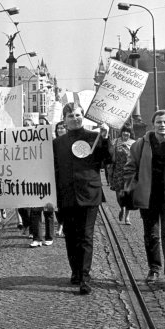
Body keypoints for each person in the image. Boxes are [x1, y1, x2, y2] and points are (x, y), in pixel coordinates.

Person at [123, 110, 165, 289]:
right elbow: (130, 167)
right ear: (153, 124)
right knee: (152, 235)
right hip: (148, 197)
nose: (162, 125)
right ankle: (154, 268)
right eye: (159, 122)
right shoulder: (140, 144)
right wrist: (131, 188)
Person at [53, 103, 111, 295]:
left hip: (89, 193)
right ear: (64, 119)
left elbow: (108, 159)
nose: (75, 118)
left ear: (83, 117)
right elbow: (53, 170)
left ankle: (85, 277)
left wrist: (105, 138)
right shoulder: (57, 143)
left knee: (86, 236)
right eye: (71, 115)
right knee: (70, 236)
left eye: (78, 115)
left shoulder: (94, 137)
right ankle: (76, 271)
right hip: (66, 195)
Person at [109, 125, 135, 225]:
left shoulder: (133, 143)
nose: (125, 133)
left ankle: (127, 217)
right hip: (118, 170)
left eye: (128, 131)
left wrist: (128, 151)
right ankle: (121, 208)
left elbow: (135, 158)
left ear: (130, 133)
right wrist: (114, 149)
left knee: (128, 194)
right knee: (119, 194)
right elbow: (111, 157)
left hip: (129, 171)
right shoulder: (115, 142)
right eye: (124, 131)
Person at [54, 121, 67, 236]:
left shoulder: (71, 143)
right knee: (57, 204)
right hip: (56, 178)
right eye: (58, 128)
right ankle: (60, 223)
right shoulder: (53, 143)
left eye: (62, 128)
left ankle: (63, 225)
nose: (60, 130)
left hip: (68, 178)